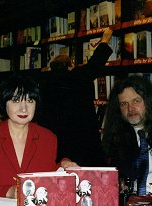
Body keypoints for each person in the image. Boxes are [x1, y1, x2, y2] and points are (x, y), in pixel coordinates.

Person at [0, 74, 77, 201]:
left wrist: (64, 165)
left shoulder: (48, 138)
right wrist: (9, 192)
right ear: (4, 103)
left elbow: (48, 177)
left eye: (30, 101)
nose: (24, 109)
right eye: (16, 101)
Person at [39, 28, 113, 166]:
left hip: (57, 141)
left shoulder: (45, 85)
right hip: (82, 138)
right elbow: (95, 64)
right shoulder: (78, 76)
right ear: (70, 66)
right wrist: (104, 40)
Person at [102, 75, 152, 195]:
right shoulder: (116, 137)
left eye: (136, 101)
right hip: (132, 204)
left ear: (148, 101)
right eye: (124, 104)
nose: (130, 108)